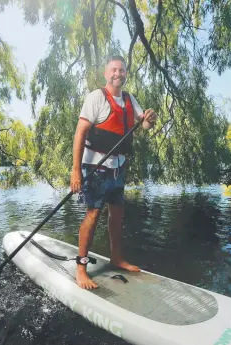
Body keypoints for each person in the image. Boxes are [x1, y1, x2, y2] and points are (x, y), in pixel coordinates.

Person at [70, 55, 157, 289]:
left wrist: (150, 118)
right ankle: (81, 269)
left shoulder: (130, 99)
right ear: (106, 74)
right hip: (96, 168)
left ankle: (117, 258)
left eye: (122, 70)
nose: (118, 73)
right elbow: (80, 133)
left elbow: (145, 126)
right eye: (113, 70)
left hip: (118, 169)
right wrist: (75, 170)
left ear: (126, 73)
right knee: (93, 214)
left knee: (117, 214)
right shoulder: (96, 97)